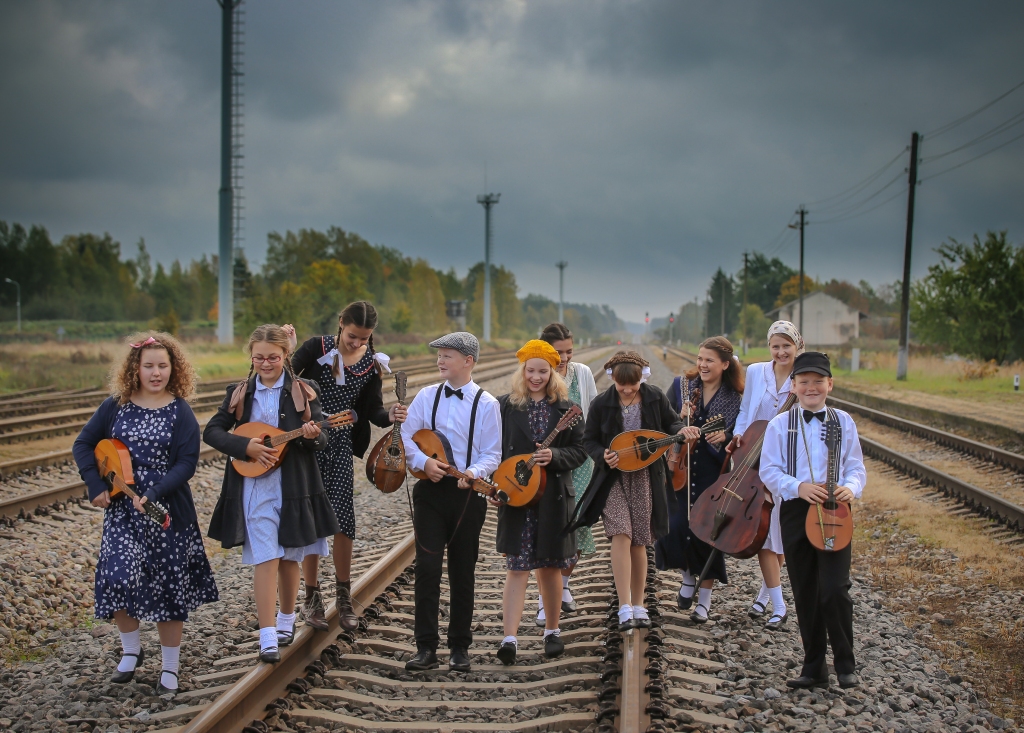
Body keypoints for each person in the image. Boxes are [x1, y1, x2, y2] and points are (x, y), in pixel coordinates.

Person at [73, 332, 218, 694]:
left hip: (165, 512)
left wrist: (153, 492)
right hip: (123, 511)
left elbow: (187, 463)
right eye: (148, 366)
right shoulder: (116, 405)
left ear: (174, 368)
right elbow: (84, 444)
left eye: (163, 366)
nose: (156, 373)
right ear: (135, 368)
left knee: (168, 587)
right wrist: (96, 485)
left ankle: (170, 667)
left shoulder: (179, 409)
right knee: (119, 577)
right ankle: (131, 651)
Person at [205, 324, 339, 664]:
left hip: (293, 486)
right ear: (251, 357)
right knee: (266, 556)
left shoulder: (304, 390)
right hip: (254, 487)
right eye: (259, 357)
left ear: (285, 356)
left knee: (290, 555)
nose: (266, 363)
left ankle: (286, 620)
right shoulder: (240, 392)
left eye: (273, 357)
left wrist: (309, 434)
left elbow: (321, 439)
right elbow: (212, 431)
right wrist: (244, 445)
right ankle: (266, 636)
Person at [285, 301, 407, 632]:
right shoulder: (316, 348)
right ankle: (310, 598)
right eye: (352, 336)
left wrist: (391, 416)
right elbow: (285, 380)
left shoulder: (370, 364)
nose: (356, 343)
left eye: (364, 339)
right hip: (308, 443)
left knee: (342, 520)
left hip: (340, 446)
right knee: (312, 518)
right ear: (341, 323)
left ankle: (342, 596)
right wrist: (288, 351)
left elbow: (372, 410)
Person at [760, 352, 866, 690]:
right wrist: (798, 487)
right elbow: (769, 471)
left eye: (818, 381)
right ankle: (814, 667)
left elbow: (855, 466)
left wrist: (850, 487)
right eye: (803, 382)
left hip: (835, 511)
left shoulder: (843, 421)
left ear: (829, 384)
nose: (811, 388)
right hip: (795, 509)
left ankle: (846, 664)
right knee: (805, 589)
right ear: (793, 386)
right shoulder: (780, 425)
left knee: (835, 589)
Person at [400, 332, 502, 672]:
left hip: (467, 496)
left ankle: (460, 648)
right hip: (430, 492)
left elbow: (493, 453)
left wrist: (472, 472)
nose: (440, 360)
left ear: (468, 361)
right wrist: (423, 463)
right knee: (427, 569)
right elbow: (405, 437)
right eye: (440, 355)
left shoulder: (487, 404)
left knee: (463, 570)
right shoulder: (426, 396)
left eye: (447, 355)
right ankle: (425, 648)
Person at [567, 351, 685, 631]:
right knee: (621, 533)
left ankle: (639, 603)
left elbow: (674, 425)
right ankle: (623, 606)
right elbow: (589, 440)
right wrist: (603, 455)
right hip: (613, 478)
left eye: (633, 385)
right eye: (622, 386)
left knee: (639, 540)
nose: (628, 390)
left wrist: (685, 431)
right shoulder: (602, 403)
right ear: (614, 380)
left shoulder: (655, 397)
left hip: (646, 477)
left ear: (641, 380)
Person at [495, 340, 587, 665]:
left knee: (549, 567)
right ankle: (510, 638)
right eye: (530, 371)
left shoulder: (567, 408)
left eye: (542, 371)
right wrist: (497, 483)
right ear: (523, 371)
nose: (536, 377)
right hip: (517, 497)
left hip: (552, 497)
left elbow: (580, 450)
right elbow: (494, 449)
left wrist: (555, 455)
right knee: (516, 568)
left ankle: (552, 630)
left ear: (553, 372)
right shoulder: (505, 405)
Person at [655, 336, 744, 623]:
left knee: (707, 533)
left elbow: (743, 434)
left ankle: (704, 601)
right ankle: (686, 578)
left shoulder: (736, 397)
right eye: (700, 358)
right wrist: (679, 419)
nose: (702, 365)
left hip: (713, 472)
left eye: (709, 360)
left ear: (725, 365)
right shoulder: (682, 387)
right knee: (676, 528)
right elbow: (662, 424)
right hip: (680, 468)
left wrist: (727, 436)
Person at [731, 320, 803, 630]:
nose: (781, 351)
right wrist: (738, 438)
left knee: (779, 532)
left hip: (789, 461)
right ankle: (778, 604)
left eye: (787, 345)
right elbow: (746, 410)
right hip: (756, 457)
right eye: (776, 345)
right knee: (764, 533)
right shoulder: (757, 371)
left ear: (797, 346)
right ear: (769, 346)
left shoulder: (803, 378)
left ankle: (766, 594)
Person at [535, 322, 598, 626]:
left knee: (578, 526)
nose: (564, 358)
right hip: (549, 463)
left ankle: (565, 585)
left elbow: (593, 411)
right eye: (558, 352)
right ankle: (544, 597)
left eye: (569, 351)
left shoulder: (581, 373)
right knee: (550, 527)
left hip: (581, 461)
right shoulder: (537, 374)